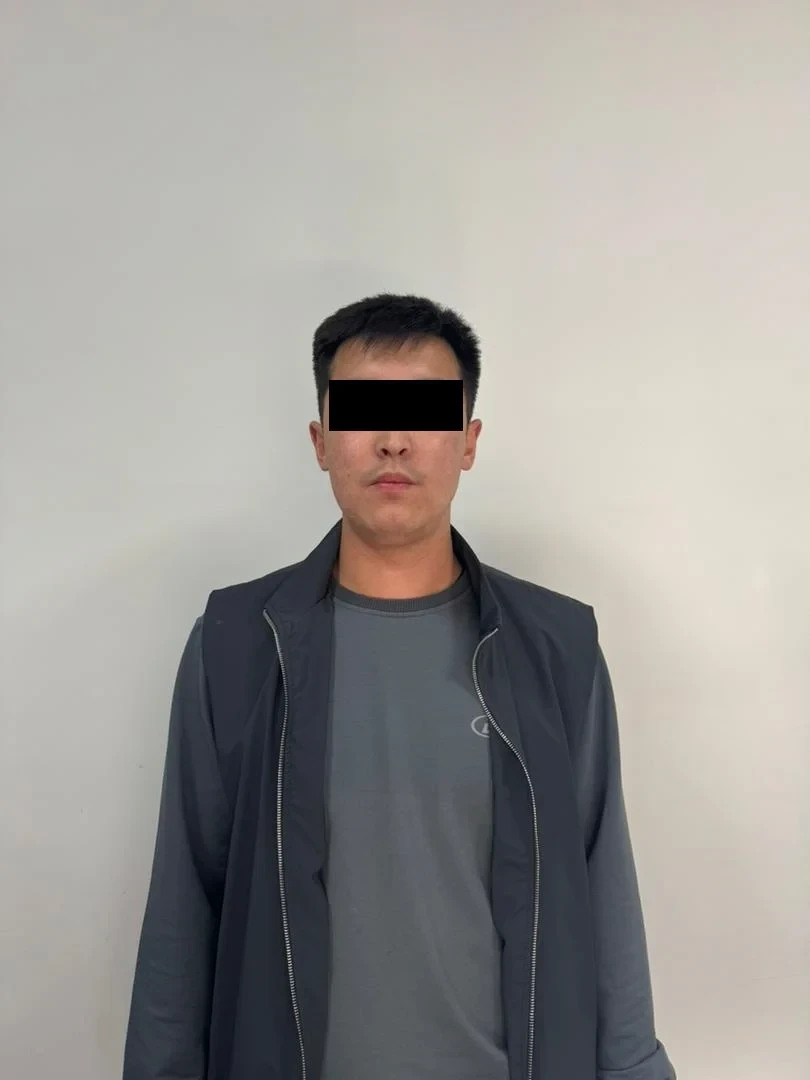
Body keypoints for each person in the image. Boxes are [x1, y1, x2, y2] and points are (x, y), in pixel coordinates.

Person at [122, 293, 676, 1080]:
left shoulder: (555, 645)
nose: (392, 441)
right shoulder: (237, 642)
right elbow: (184, 907)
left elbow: (604, 889)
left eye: (422, 412)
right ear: (320, 441)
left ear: (468, 441)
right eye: (361, 414)